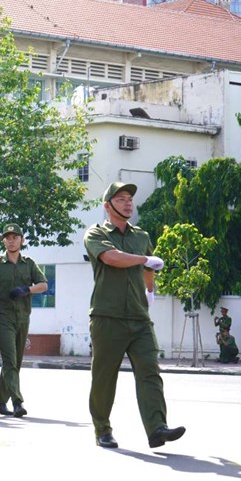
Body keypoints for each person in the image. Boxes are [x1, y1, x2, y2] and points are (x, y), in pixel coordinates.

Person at [84, 182, 185, 449]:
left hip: (139, 318)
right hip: (107, 316)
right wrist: (143, 261)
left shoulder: (141, 235)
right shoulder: (96, 233)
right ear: (108, 206)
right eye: (121, 199)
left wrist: (150, 290)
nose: (128, 203)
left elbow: (149, 265)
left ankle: (157, 428)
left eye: (130, 198)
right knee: (105, 376)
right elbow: (111, 257)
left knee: (150, 371)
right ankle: (102, 429)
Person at [0, 224, 47, 418]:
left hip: (23, 317)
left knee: (15, 362)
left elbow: (43, 285)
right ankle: (17, 401)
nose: (12, 240)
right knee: (9, 360)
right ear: (3, 241)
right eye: (8, 237)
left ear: (22, 240)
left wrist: (27, 289)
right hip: (2, 317)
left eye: (15, 237)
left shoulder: (29, 263)